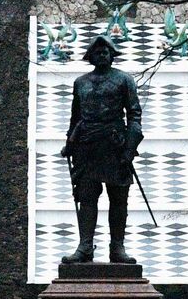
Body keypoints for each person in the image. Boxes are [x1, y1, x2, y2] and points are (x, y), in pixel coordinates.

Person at [59, 36, 142, 264]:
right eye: (97, 52)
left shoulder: (125, 80)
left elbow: (134, 115)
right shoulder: (81, 83)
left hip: (114, 146)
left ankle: (117, 248)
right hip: (87, 147)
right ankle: (85, 246)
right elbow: (75, 117)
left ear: (112, 54)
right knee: (86, 197)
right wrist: (70, 143)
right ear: (91, 57)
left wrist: (130, 147)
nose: (102, 54)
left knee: (118, 198)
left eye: (106, 51)